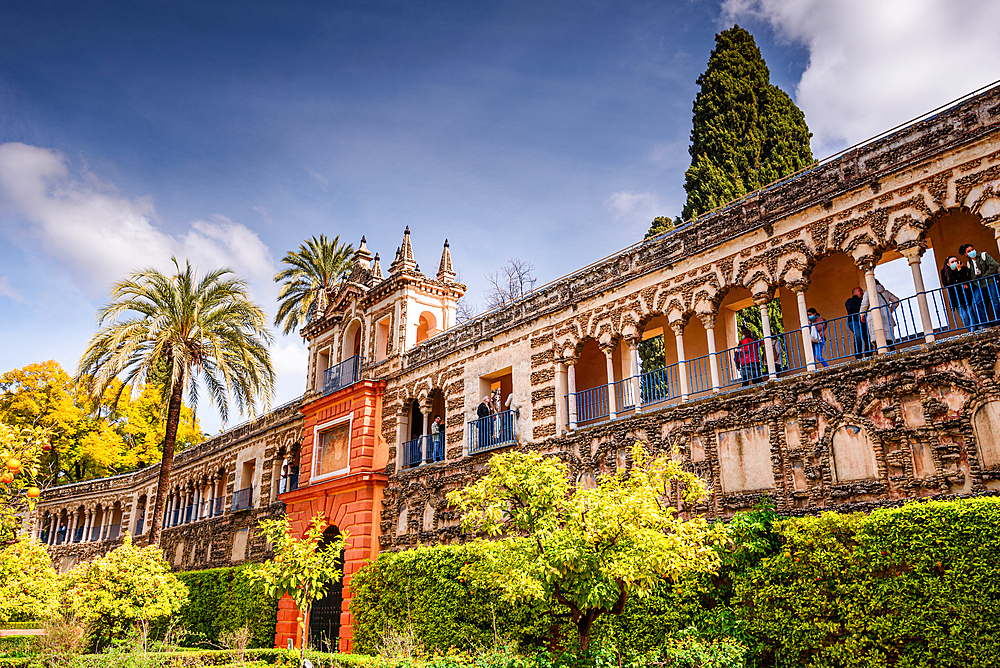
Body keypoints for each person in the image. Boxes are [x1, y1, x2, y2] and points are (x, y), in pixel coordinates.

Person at [959, 243, 1000, 325]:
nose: (972, 251)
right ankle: (985, 324)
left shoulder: (983, 255)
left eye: (972, 249)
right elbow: (971, 276)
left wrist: (985, 276)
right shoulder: (969, 263)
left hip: (991, 281)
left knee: (996, 301)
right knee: (976, 302)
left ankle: (999, 321)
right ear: (965, 254)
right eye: (969, 251)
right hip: (980, 285)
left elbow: (994, 265)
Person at [941, 255, 983, 332]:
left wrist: (959, 270)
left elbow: (966, 280)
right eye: (952, 262)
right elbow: (946, 284)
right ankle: (971, 331)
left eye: (956, 261)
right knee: (964, 316)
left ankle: (972, 332)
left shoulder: (963, 269)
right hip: (956, 297)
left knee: (971, 314)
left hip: (967, 295)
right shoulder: (944, 272)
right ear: (948, 264)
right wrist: (960, 284)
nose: (955, 263)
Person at [860, 279, 900, 350]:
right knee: (888, 337)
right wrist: (890, 310)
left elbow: (865, 304)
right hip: (886, 315)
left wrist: (862, 314)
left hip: (874, 315)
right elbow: (896, 301)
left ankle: (881, 352)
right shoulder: (886, 292)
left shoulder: (868, 292)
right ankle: (892, 350)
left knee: (877, 336)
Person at [845, 287, 871, 359]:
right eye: (860, 290)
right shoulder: (850, 301)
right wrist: (862, 307)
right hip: (854, 321)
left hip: (863, 321)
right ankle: (858, 356)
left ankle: (868, 355)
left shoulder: (863, 301)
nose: (862, 292)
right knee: (858, 336)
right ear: (854, 293)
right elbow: (850, 308)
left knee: (867, 338)